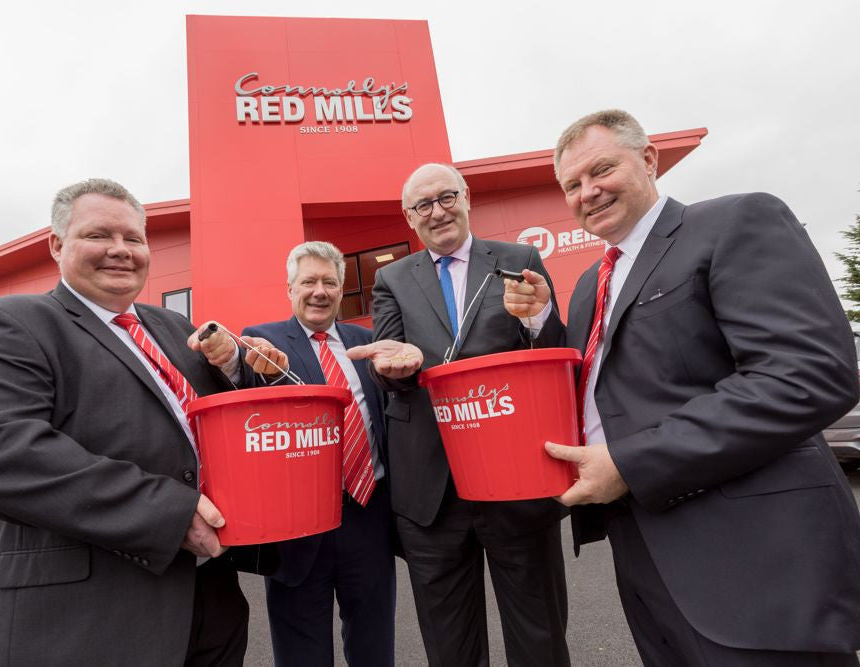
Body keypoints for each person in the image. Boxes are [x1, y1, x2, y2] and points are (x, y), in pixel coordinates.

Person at [504, 109, 860, 665]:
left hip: (754, 560)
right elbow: (604, 384)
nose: (587, 192)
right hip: (644, 553)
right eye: (572, 185)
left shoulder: (735, 221)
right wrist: (539, 325)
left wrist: (631, 462)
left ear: (648, 160)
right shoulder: (586, 290)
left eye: (601, 170)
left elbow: (810, 372)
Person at [0, 178, 285, 665]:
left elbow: (218, 431)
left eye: (133, 239)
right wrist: (168, 514)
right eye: (99, 235)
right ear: (58, 245)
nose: (120, 250)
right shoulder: (9, 323)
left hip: (210, 606)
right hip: (85, 622)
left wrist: (241, 372)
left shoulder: (176, 329)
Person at [347, 163, 571, 666]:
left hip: (514, 478)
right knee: (450, 646)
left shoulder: (520, 258)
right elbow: (388, 365)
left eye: (446, 197)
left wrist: (536, 316)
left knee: (540, 636)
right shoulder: (392, 278)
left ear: (466, 196)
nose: (437, 212)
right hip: (430, 489)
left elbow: (552, 350)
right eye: (422, 206)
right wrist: (396, 368)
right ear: (409, 217)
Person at [241, 241, 396, 666]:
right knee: (301, 648)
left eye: (329, 281)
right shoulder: (262, 341)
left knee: (374, 640)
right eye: (308, 281)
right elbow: (244, 391)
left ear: (342, 289)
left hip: (368, 512)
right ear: (290, 289)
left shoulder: (369, 344)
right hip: (299, 524)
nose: (319, 291)